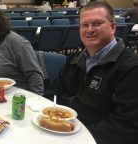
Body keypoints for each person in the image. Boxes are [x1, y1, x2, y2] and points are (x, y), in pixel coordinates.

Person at [55, 1, 138, 144]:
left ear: (113, 27)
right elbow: (59, 94)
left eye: (97, 23)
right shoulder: (75, 60)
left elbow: (126, 126)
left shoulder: (131, 69)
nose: (90, 29)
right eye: (84, 25)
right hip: (66, 132)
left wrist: (78, 138)